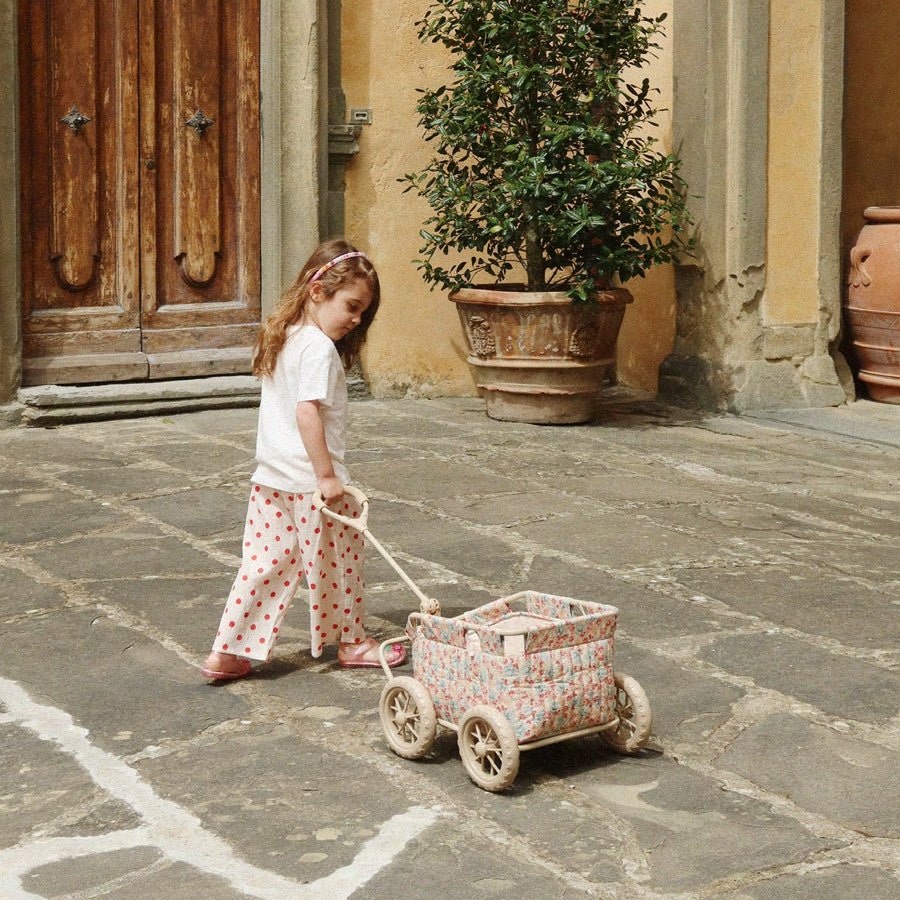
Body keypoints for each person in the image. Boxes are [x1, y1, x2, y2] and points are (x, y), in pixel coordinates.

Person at [201, 239, 406, 680]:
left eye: (362, 313)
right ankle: (352, 642)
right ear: (318, 291)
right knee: (339, 566)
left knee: (263, 566)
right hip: (313, 484)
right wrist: (327, 476)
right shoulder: (316, 348)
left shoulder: (285, 337)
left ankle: (229, 651)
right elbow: (306, 410)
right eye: (351, 306)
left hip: (271, 478)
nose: (355, 320)